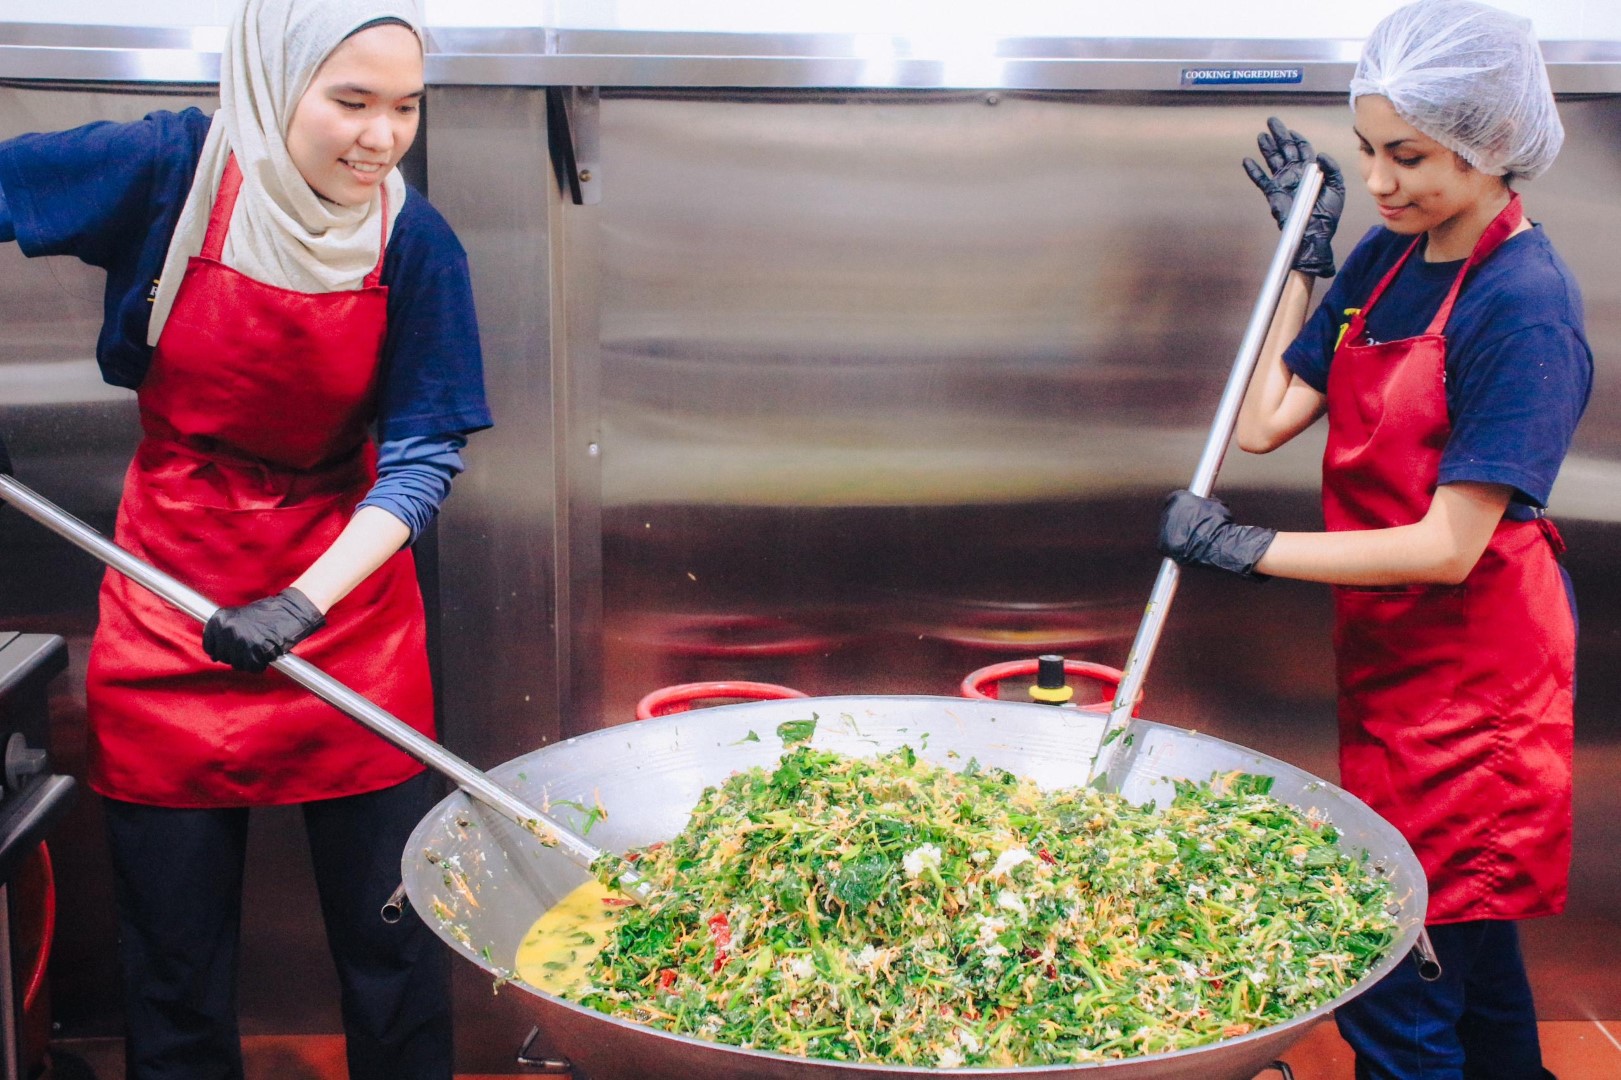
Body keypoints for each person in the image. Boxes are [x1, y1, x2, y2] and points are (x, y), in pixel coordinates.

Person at [0, 0, 490, 1076]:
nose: (380, 137)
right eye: (350, 101)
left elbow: (422, 460)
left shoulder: (413, 241)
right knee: (172, 964)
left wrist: (303, 601)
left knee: (396, 945)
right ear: (275, 85)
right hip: (168, 597)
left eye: (406, 107)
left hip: (347, 609)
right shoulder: (167, 171)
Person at [1157, 2, 1589, 1078]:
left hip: (1475, 680)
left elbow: (1447, 547)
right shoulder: (1388, 257)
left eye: (1409, 156)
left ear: (1492, 146)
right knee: (1465, 941)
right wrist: (1302, 260)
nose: (1379, 181)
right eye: (1366, 150)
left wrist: (1244, 550)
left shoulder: (1523, 304)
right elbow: (1264, 422)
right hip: (1394, 656)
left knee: (1398, 965)